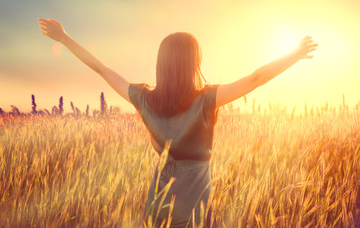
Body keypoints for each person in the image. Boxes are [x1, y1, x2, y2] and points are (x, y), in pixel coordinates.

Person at [38, 18, 318, 227]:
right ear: (193, 62)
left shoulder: (143, 99)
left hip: (157, 202)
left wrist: (64, 38)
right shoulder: (207, 99)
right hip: (193, 209)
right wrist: (293, 55)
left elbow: (101, 69)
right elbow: (255, 79)